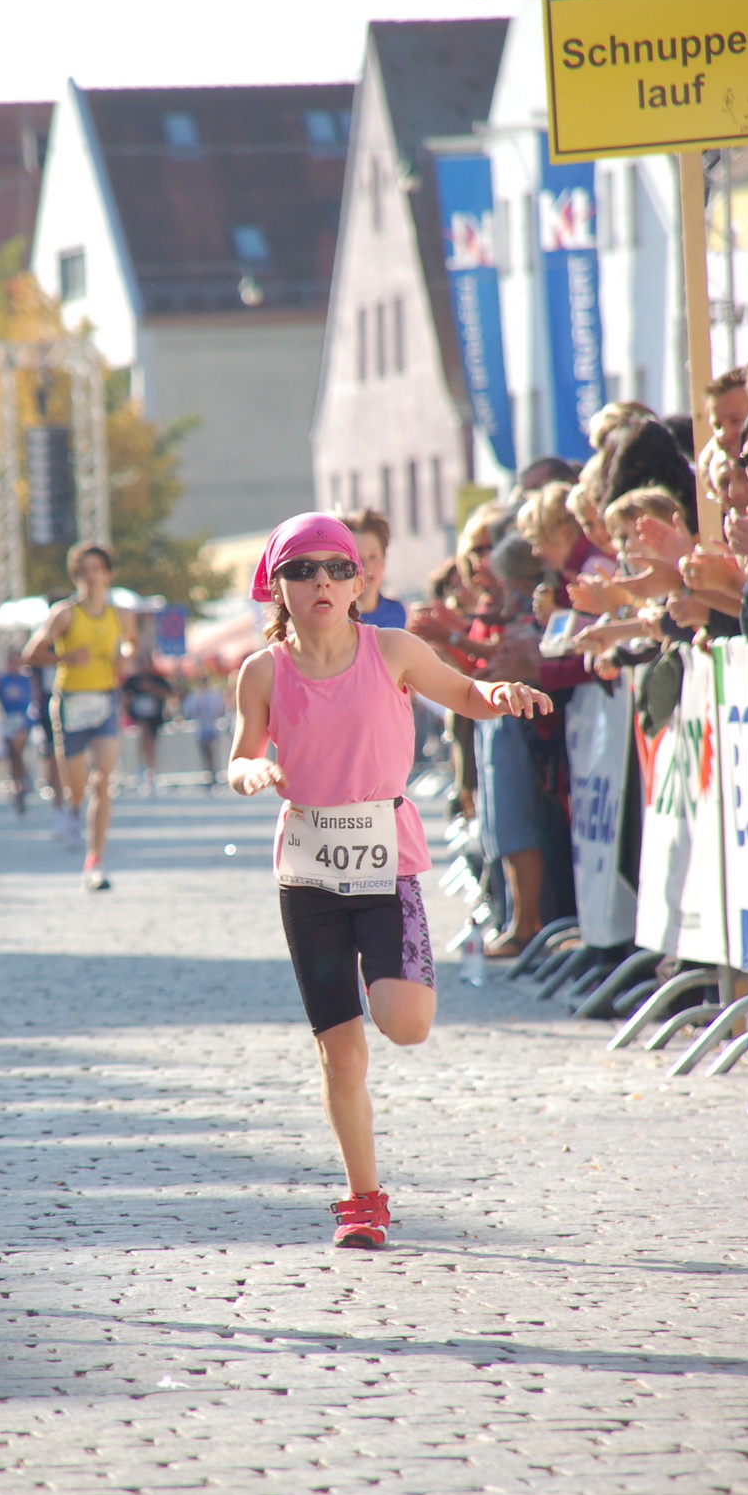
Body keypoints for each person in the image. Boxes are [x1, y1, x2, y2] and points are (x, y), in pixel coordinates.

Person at [228, 512, 551, 1249]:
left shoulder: (394, 650)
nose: (322, 582)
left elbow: (464, 694)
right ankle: (362, 1198)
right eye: (303, 570)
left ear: (359, 583)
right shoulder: (261, 670)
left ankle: (391, 992)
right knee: (338, 1051)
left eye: (338, 570)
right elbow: (240, 753)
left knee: (404, 1022)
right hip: (306, 874)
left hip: (387, 864)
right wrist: (252, 771)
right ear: (276, 586)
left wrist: (498, 695)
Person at [22, 541, 136, 890]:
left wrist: (124, 657)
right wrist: (64, 659)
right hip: (69, 703)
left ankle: (94, 860)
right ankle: (71, 812)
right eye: (84, 571)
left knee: (101, 779)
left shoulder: (121, 614)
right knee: (75, 790)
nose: (91, 577)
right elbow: (30, 654)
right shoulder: (65, 613)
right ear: (76, 576)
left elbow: (131, 642)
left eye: (97, 570)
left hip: (103, 702)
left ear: (108, 574)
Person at [341, 507, 406, 628]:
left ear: (384, 561)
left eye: (373, 557)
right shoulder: (333, 620)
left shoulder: (398, 613)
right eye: (357, 559)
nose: (366, 567)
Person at [0, 647, 35, 812]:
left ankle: (23, 780)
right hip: (7, 720)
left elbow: (33, 701)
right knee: (12, 756)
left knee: (18, 750)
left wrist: (27, 724)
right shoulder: (1, 680)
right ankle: (20, 783)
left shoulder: (27, 679)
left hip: (23, 719)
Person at [121, 651, 173, 791]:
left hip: (154, 716)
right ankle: (142, 768)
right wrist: (126, 710)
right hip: (138, 716)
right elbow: (124, 696)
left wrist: (153, 688)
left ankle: (151, 769)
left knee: (152, 743)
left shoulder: (157, 678)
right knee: (142, 737)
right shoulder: (133, 680)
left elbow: (169, 693)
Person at [183, 674, 227, 787]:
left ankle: (213, 773)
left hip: (211, 726)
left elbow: (220, 708)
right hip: (201, 727)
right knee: (205, 752)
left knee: (211, 749)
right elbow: (188, 710)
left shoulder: (214, 694)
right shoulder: (194, 696)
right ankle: (209, 773)